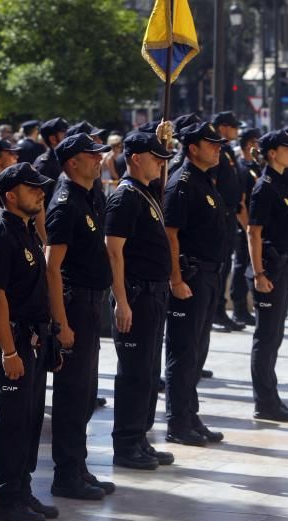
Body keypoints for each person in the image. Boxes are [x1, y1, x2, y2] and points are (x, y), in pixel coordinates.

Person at [0, 162, 58, 521]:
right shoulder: (0, 235)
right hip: (10, 341)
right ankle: (5, 499)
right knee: (11, 423)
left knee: (28, 421)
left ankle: (22, 490)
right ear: (11, 196)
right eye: (32, 188)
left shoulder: (26, 230)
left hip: (30, 338)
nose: (41, 192)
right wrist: (9, 351)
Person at [44, 133, 114, 500]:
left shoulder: (90, 196)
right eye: (92, 156)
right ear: (72, 162)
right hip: (73, 306)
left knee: (86, 393)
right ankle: (65, 474)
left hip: (90, 304)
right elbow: (52, 267)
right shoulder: (65, 204)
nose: (99, 160)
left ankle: (79, 465)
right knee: (72, 394)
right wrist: (61, 323)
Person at [106, 130, 175, 470]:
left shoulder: (146, 193)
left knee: (148, 371)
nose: (162, 163)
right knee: (133, 373)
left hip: (154, 293)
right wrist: (121, 299)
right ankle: (126, 442)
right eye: (156, 157)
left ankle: (141, 438)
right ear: (136, 158)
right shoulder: (125, 198)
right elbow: (114, 252)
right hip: (135, 293)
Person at [162, 122, 228, 445]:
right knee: (183, 352)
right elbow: (171, 235)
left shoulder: (204, 180)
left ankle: (190, 413)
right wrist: (175, 279)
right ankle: (177, 423)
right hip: (190, 277)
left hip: (209, 276)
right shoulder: (182, 183)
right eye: (211, 144)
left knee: (198, 352)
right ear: (192, 149)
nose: (218, 148)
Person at [247, 130, 288, 420]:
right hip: (269, 269)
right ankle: (265, 401)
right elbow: (253, 232)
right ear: (271, 153)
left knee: (275, 334)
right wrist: (258, 273)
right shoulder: (265, 187)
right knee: (266, 336)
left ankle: (271, 396)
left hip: (283, 267)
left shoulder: (283, 182)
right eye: (287, 148)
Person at [210, 111, 247, 333]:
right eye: (233, 127)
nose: (236, 131)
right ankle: (216, 310)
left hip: (230, 215)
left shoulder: (225, 151)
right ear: (223, 127)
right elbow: (212, 185)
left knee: (225, 266)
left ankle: (220, 309)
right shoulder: (216, 151)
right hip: (221, 217)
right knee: (220, 268)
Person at [231, 127, 261, 327]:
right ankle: (239, 307)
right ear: (249, 144)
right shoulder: (241, 169)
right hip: (245, 227)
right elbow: (240, 204)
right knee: (241, 266)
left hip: (254, 225)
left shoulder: (255, 167)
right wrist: (248, 226)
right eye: (256, 142)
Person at [34, 117, 69, 198]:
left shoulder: (64, 157)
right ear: (53, 139)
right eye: (65, 134)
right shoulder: (44, 165)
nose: (69, 137)